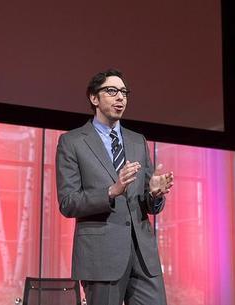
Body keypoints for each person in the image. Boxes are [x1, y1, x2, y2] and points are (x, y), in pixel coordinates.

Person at [55, 69, 174, 305]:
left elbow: (148, 205)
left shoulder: (137, 140)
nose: (120, 97)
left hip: (143, 256)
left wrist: (154, 193)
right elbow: (68, 203)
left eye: (123, 92)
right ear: (94, 98)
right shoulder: (72, 142)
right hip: (101, 257)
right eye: (112, 91)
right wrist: (111, 191)